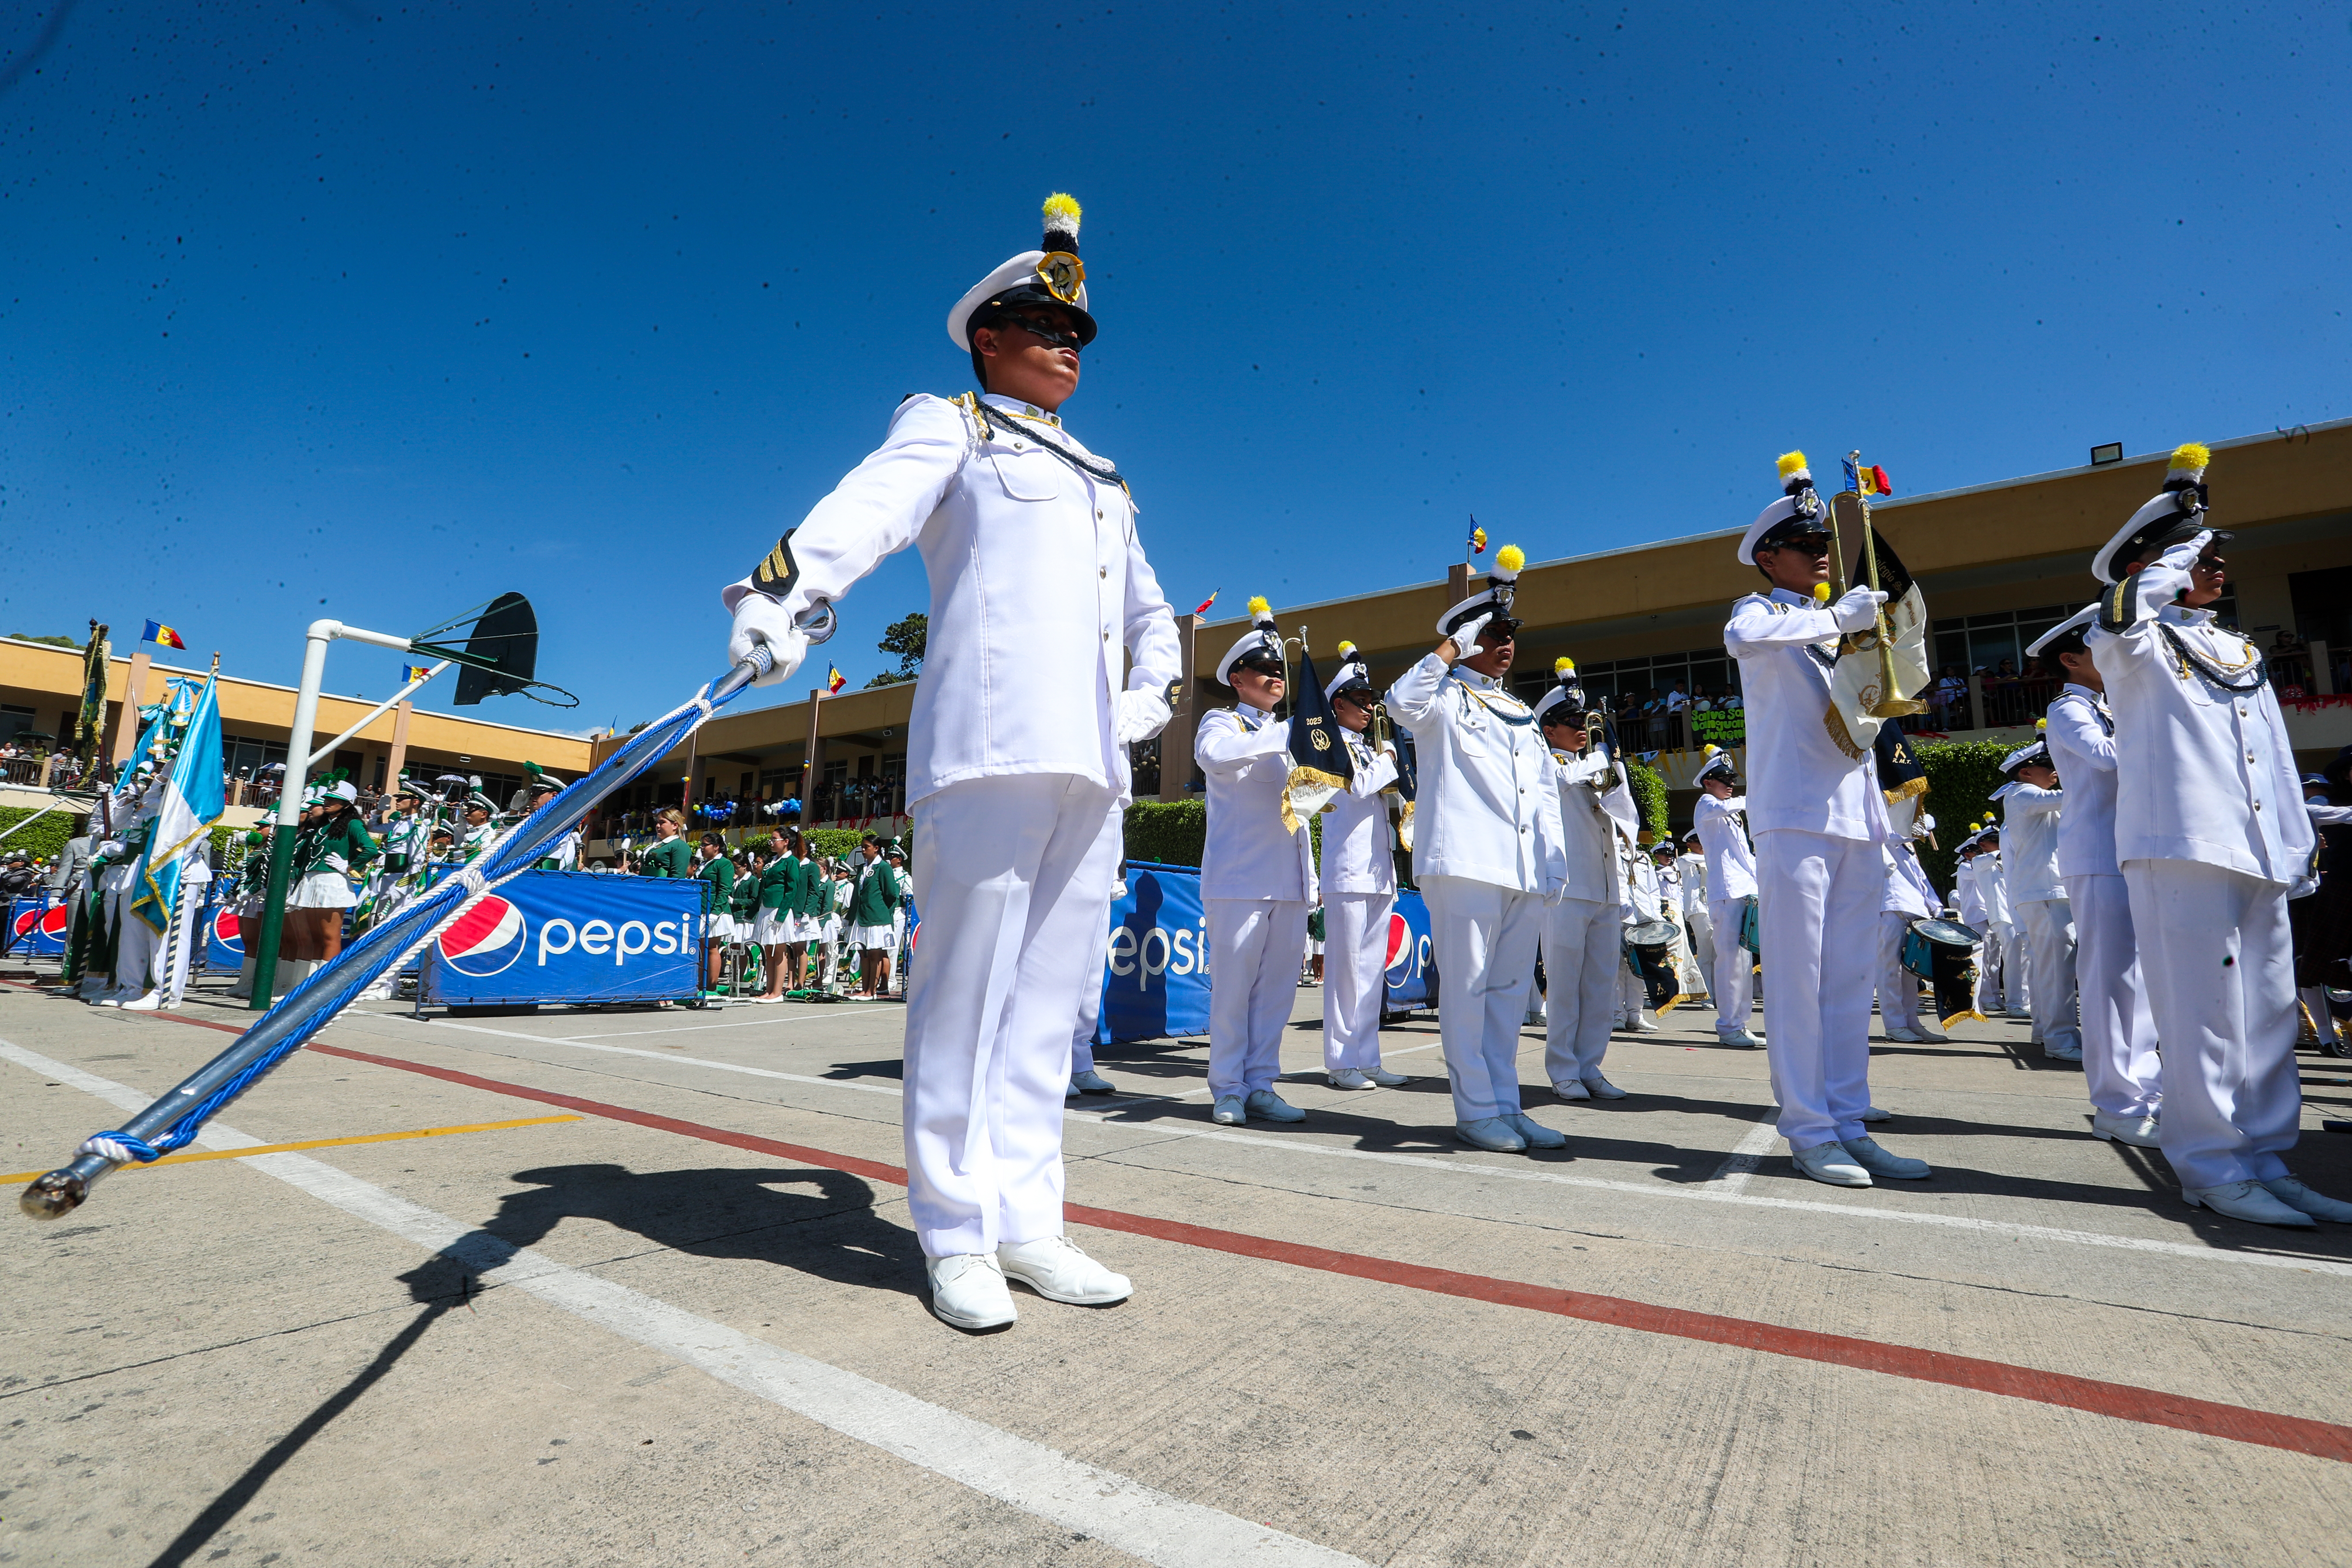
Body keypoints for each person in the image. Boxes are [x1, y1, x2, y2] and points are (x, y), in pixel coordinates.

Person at [719, 194, 1178, 1328]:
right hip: (985, 750)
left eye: (1078, 335)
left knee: (1045, 1007)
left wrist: (1148, 700)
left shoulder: (1107, 481)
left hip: (1090, 768)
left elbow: (1155, 616)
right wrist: (785, 591)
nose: (1069, 345)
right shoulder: (954, 426)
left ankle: (1029, 1222)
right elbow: (867, 509)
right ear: (989, 336)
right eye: (1045, 326)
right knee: (965, 1001)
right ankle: (955, 1232)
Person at [2086, 442, 2343, 1226]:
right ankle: (2208, 1163)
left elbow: (2272, 752)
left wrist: (2296, 846)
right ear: (2155, 564)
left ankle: (2264, 1157)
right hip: (2182, 848)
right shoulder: (2130, 640)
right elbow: (2118, 615)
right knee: (2201, 1015)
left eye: (2216, 557)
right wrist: (2165, 564)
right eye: (2202, 556)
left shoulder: (2236, 647)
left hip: (2256, 850)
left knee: (2265, 1014)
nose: (2217, 569)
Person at [1724, 451, 1929, 1189]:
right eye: (1806, 547)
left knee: (1848, 980)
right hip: (1794, 817)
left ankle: (1848, 1118)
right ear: (1769, 556)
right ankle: (1809, 1129)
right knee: (1796, 978)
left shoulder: (1827, 624)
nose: (1820, 556)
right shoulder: (1765, 615)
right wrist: (1832, 615)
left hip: (1853, 818)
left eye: (1823, 547)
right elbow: (1740, 637)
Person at [1387, 545, 1571, 1154]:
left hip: (1520, 870)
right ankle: (1474, 1111)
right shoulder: (1444, 698)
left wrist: (1553, 866)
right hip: (1464, 863)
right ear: (1466, 640)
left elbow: (1545, 794)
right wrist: (1448, 650)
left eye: (1508, 632)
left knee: (1508, 996)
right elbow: (1400, 703)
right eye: (1490, 633)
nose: (1504, 643)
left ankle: (1506, 1106)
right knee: (1467, 992)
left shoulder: (1519, 708)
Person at [2029, 605, 2163, 1145]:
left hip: (2129, 850)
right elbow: (2106, 758)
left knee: (2142, 981)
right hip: (2096, 855)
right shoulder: (2067, 709)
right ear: (2071, 659)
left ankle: (2147, 1093)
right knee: (2109, 980)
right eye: (2099, 649)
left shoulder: (2107, 705)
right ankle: (2115, 1103)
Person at [1195, 598, 1317, 1124]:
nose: (1275, 677)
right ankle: (1227, 1087)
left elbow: (1302, 811)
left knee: (1274, 997)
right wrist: (1285, 734)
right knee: (1233, 992)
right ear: (1238, 678)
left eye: (1279, 670)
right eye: (1265, 670)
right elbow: (1214, 759)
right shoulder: (1221, 722)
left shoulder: (1288, 737)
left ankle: (1263, 1083)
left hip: (1287, 880)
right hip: (1240, 881)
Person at [1534, 658, 1639, 1101]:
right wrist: (1596, 759)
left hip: (1604, 887)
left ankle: (1590, 1065)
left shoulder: (1593, 766)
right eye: (1571, 722)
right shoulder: (1545, 764)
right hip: (1567, 889)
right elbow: (1556, 781)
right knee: (1564, 986)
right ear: (1550, 729)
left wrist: (1611, 773)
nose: (1581, 728)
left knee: (1600, 987)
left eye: (1584, 720)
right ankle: (1562, 1069)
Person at [1316, 644, 1409, 1092]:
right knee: (1345, 973)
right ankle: (1340, 1062)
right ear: (1339, 704)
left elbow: (1387, 796)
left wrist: (1397, 774)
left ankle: (1367, 1057)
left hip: (1378, 870)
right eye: (1362, 700)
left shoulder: (1372, 747)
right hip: (1347, 872)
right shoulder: (1327, 744)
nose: (1371, 707)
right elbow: (1353, 789)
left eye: (1372, 700)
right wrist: (1388, 760)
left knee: (1373, 971)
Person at [1995, 733, 2082, 1061]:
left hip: (2045, 892)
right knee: (2058, 970)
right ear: (2026, 771)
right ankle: (2060, 1040)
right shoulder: (2023, 794)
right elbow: (2072, 794)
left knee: (2050, 967)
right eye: (2049, 765)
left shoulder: (2031, 795)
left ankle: (2046, 1031)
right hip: (2045, 892)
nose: (2055, 771)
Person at [1691, 746, 1762, 1048]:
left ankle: (1739, 1023)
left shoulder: (1731, 814)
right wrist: (1756, 798)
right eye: (1723, 778)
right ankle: (1728, 1025)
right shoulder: (1707, 803)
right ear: (1708, 781)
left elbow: (1745, 856)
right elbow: (1724, 807)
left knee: (1743, 963)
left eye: (1732, 778)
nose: (1730, 784)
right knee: (1730, 961)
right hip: (1726, 893)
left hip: (1744, 890)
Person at [847, 833, 905, 999]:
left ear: (877, 849)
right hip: (862, 916)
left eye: (867, 847)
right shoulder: (862, 868)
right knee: (863, 953)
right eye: (863, 847)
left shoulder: (884, 867)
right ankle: (864, 989)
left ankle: (872, 991)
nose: (864, 850)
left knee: (875, 954)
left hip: (877, 917)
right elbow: (857, 895)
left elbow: (891, 894)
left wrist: (881, 910)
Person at [1674, 831, 1714, 1008]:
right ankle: (1706, 996)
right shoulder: (1686, 860)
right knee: (1705, 954)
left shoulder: (1710, 859)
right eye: (1698, 842)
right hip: (1699, 910)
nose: (1702, 845)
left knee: (1718, 955)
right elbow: (1687, 862)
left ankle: (1718, 994)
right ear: (1689, 844)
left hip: (1714, 908)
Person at [698, 832, 736, 991]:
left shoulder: (724, 864)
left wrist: (715, 912)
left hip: (715, 911)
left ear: (716, 847)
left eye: (705, 845)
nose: (702, 848)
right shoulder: (706, 863)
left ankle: (712, 986)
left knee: (712, 947)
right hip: (702, 909)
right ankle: (701, 984)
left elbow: (724, 890)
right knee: (702, 948)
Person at [639, 808, 693, 879]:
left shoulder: (680, 846)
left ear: (675, 826)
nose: (658, 826)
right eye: (657, 822)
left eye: (663, 822)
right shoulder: (655, 844)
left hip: (661, 888)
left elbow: (678, 877)